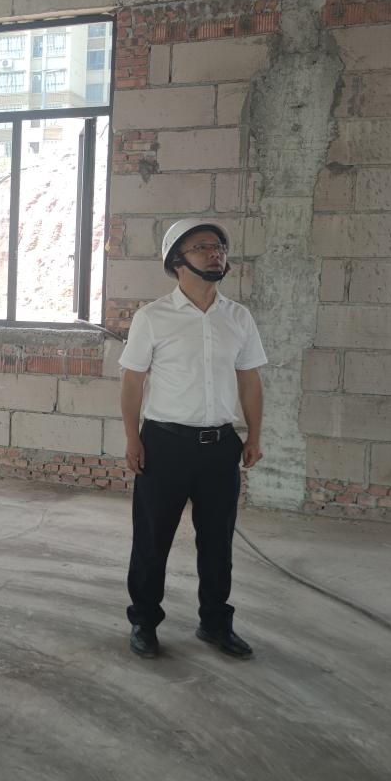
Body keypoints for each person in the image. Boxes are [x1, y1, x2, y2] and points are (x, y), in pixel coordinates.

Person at [118, 217, 267, 661]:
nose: (215, 253)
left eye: (219, 246)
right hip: (164, 445)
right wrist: (132, 439)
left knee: (218, 543)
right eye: (202, 246)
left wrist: (254, 435)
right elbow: (132, 382)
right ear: (177, 260)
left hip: (220, 447)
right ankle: (145, 621)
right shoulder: (152, 318)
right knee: (152, 539)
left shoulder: (238, 318)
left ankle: (215, 622)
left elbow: (250, 381)